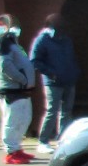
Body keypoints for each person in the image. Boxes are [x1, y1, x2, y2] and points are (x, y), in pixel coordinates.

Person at [0, 14, 36, 164]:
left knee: (24, 119)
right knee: (12, 121)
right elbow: (5, 66)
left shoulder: (10, 42)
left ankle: (17, 148)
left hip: (21, 89)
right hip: (12, 89)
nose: (17, 29)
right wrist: (22, 79)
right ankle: (11, 152)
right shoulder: (1, 42)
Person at [29, 13, 81, 153]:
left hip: (69, 80)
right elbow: (35, 61)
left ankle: (62, 139)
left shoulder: (66, 39)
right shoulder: (42, 40)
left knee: (66, 112)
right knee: (52, 111)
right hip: (53, 82)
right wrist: (51, 73)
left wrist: (75, 72)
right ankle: (43, 141)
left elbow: (71, 58)